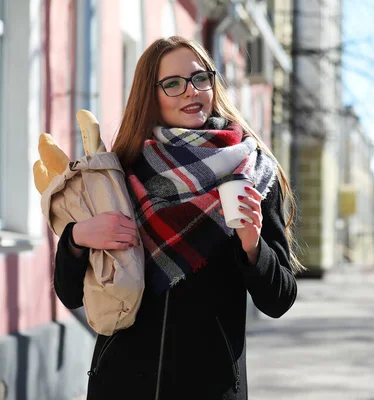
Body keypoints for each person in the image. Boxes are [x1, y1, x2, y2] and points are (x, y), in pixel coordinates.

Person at [53, 36, 302, 400]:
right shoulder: (120, 171)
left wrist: (253, 246)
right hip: (121, 382)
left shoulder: (254, 173)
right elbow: (70, 293)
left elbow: (279, 300)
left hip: (210, 385)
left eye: (201, 78)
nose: (192, 92)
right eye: (173, 83)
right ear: (150, 95)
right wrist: (77, 237)